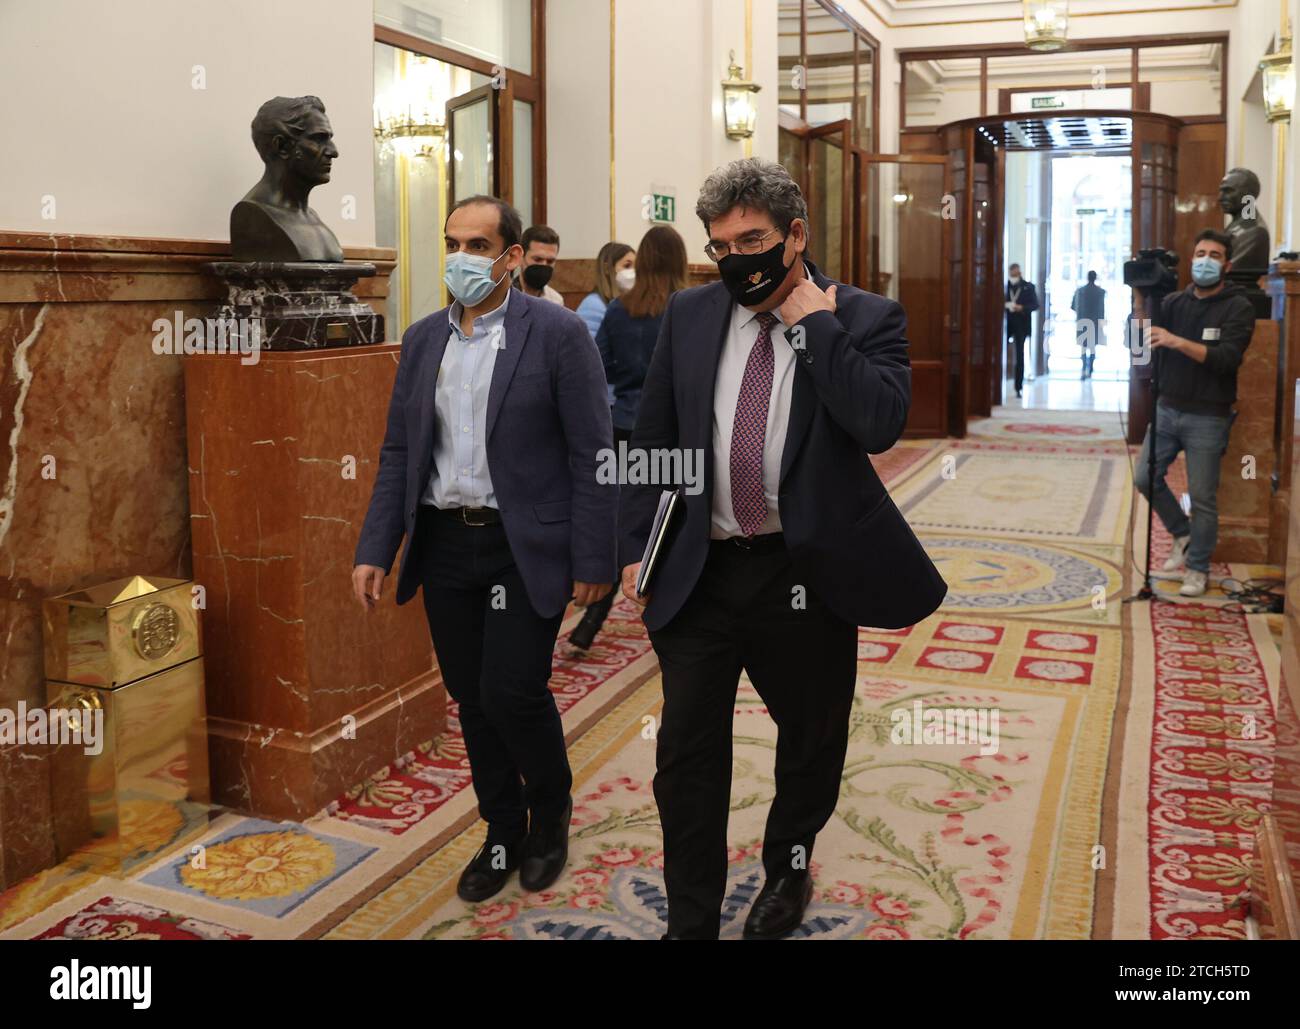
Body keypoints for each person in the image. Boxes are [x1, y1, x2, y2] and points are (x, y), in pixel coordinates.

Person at [619, 158, 947, 940]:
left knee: (810, 746)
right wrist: (637, 544)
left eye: (755, 239)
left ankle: (787, 869)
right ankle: (690, 918)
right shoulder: (692, 316)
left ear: (796, 234)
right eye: (722, 245)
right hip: (703, 572)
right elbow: (653, 440)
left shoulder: (866, 317)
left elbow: (878, 423)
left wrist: (814, 324)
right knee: (687, 756)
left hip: (805, 576)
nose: (739, 258)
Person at [352, 195, 616, 902]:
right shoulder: (423, 339)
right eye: (452, 242)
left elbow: (594, 453)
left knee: (513, 689)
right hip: (444, 545)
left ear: (511, 257)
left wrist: (595, 559)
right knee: (470, 696)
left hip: (520, 544)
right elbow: (400, 450)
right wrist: (377, 544)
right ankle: (502, 828)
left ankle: (550, 809)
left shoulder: (558, 335)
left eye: (477, 244)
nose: (461, 258)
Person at [567, 226, 687, 654]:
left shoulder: (619, 308)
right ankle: (669, 612)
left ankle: (592, 619)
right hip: (671, 435)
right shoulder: (687, 309)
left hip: (623, 427)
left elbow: (597, 365)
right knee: (670, 522)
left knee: (629, 522)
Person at [1134, 228, 1255, 598]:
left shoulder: (1239, 307)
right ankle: (1182, 534)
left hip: (1208, 415)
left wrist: (1177, 341)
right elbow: (1142, 344)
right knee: (1144, 477)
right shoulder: (1173, 303)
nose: (1205, 260)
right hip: (1167, 407)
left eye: (1214, 255)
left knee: (1202, 496)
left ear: (1227, 264)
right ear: (1191, 260)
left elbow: (1224, 359)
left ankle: (1198, 569)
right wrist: (1141, 302)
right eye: (1200, 253)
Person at [576, 241, 636, 340]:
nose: (634, 271)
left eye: (636, 267)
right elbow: (587, 348)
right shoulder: (593, 305)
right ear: (607, 269)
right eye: (627, 266)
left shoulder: (628, 303)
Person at [1005, 263, 1039, 398]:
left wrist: (1022, 308)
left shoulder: (1028, 287)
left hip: (1021, 324)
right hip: (1006, 323)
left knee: (1020, 355)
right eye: (1012, 272)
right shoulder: (1004, 285)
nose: (1015, 274)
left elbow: (1035, 304)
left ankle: (1018, 387)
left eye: (1017, 272)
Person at [516, 224, 565, 305]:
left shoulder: (556, 301)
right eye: (537, 259)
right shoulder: (505, 297)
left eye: (550, 261)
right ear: (520, 257)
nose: (543, 265)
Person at [1071, 270, 1106, 380]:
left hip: (1083, 321)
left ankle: (1083, 369)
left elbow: (1073, 306)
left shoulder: (1080, 291)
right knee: (1092, 347)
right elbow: (1102, 309)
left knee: (1083, 347)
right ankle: (1090, 369)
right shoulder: (1100, 292)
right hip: (1095, 322)